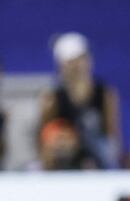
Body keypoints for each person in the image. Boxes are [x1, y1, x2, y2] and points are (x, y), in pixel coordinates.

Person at [40, 32, 122, 169]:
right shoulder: (52, 99)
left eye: (80, 59)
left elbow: (112, 136)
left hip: (98, 158)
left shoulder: (105, 94)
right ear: (62, 66)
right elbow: (44, 138)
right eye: (71, 62)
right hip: (65, 158)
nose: (77, 66)